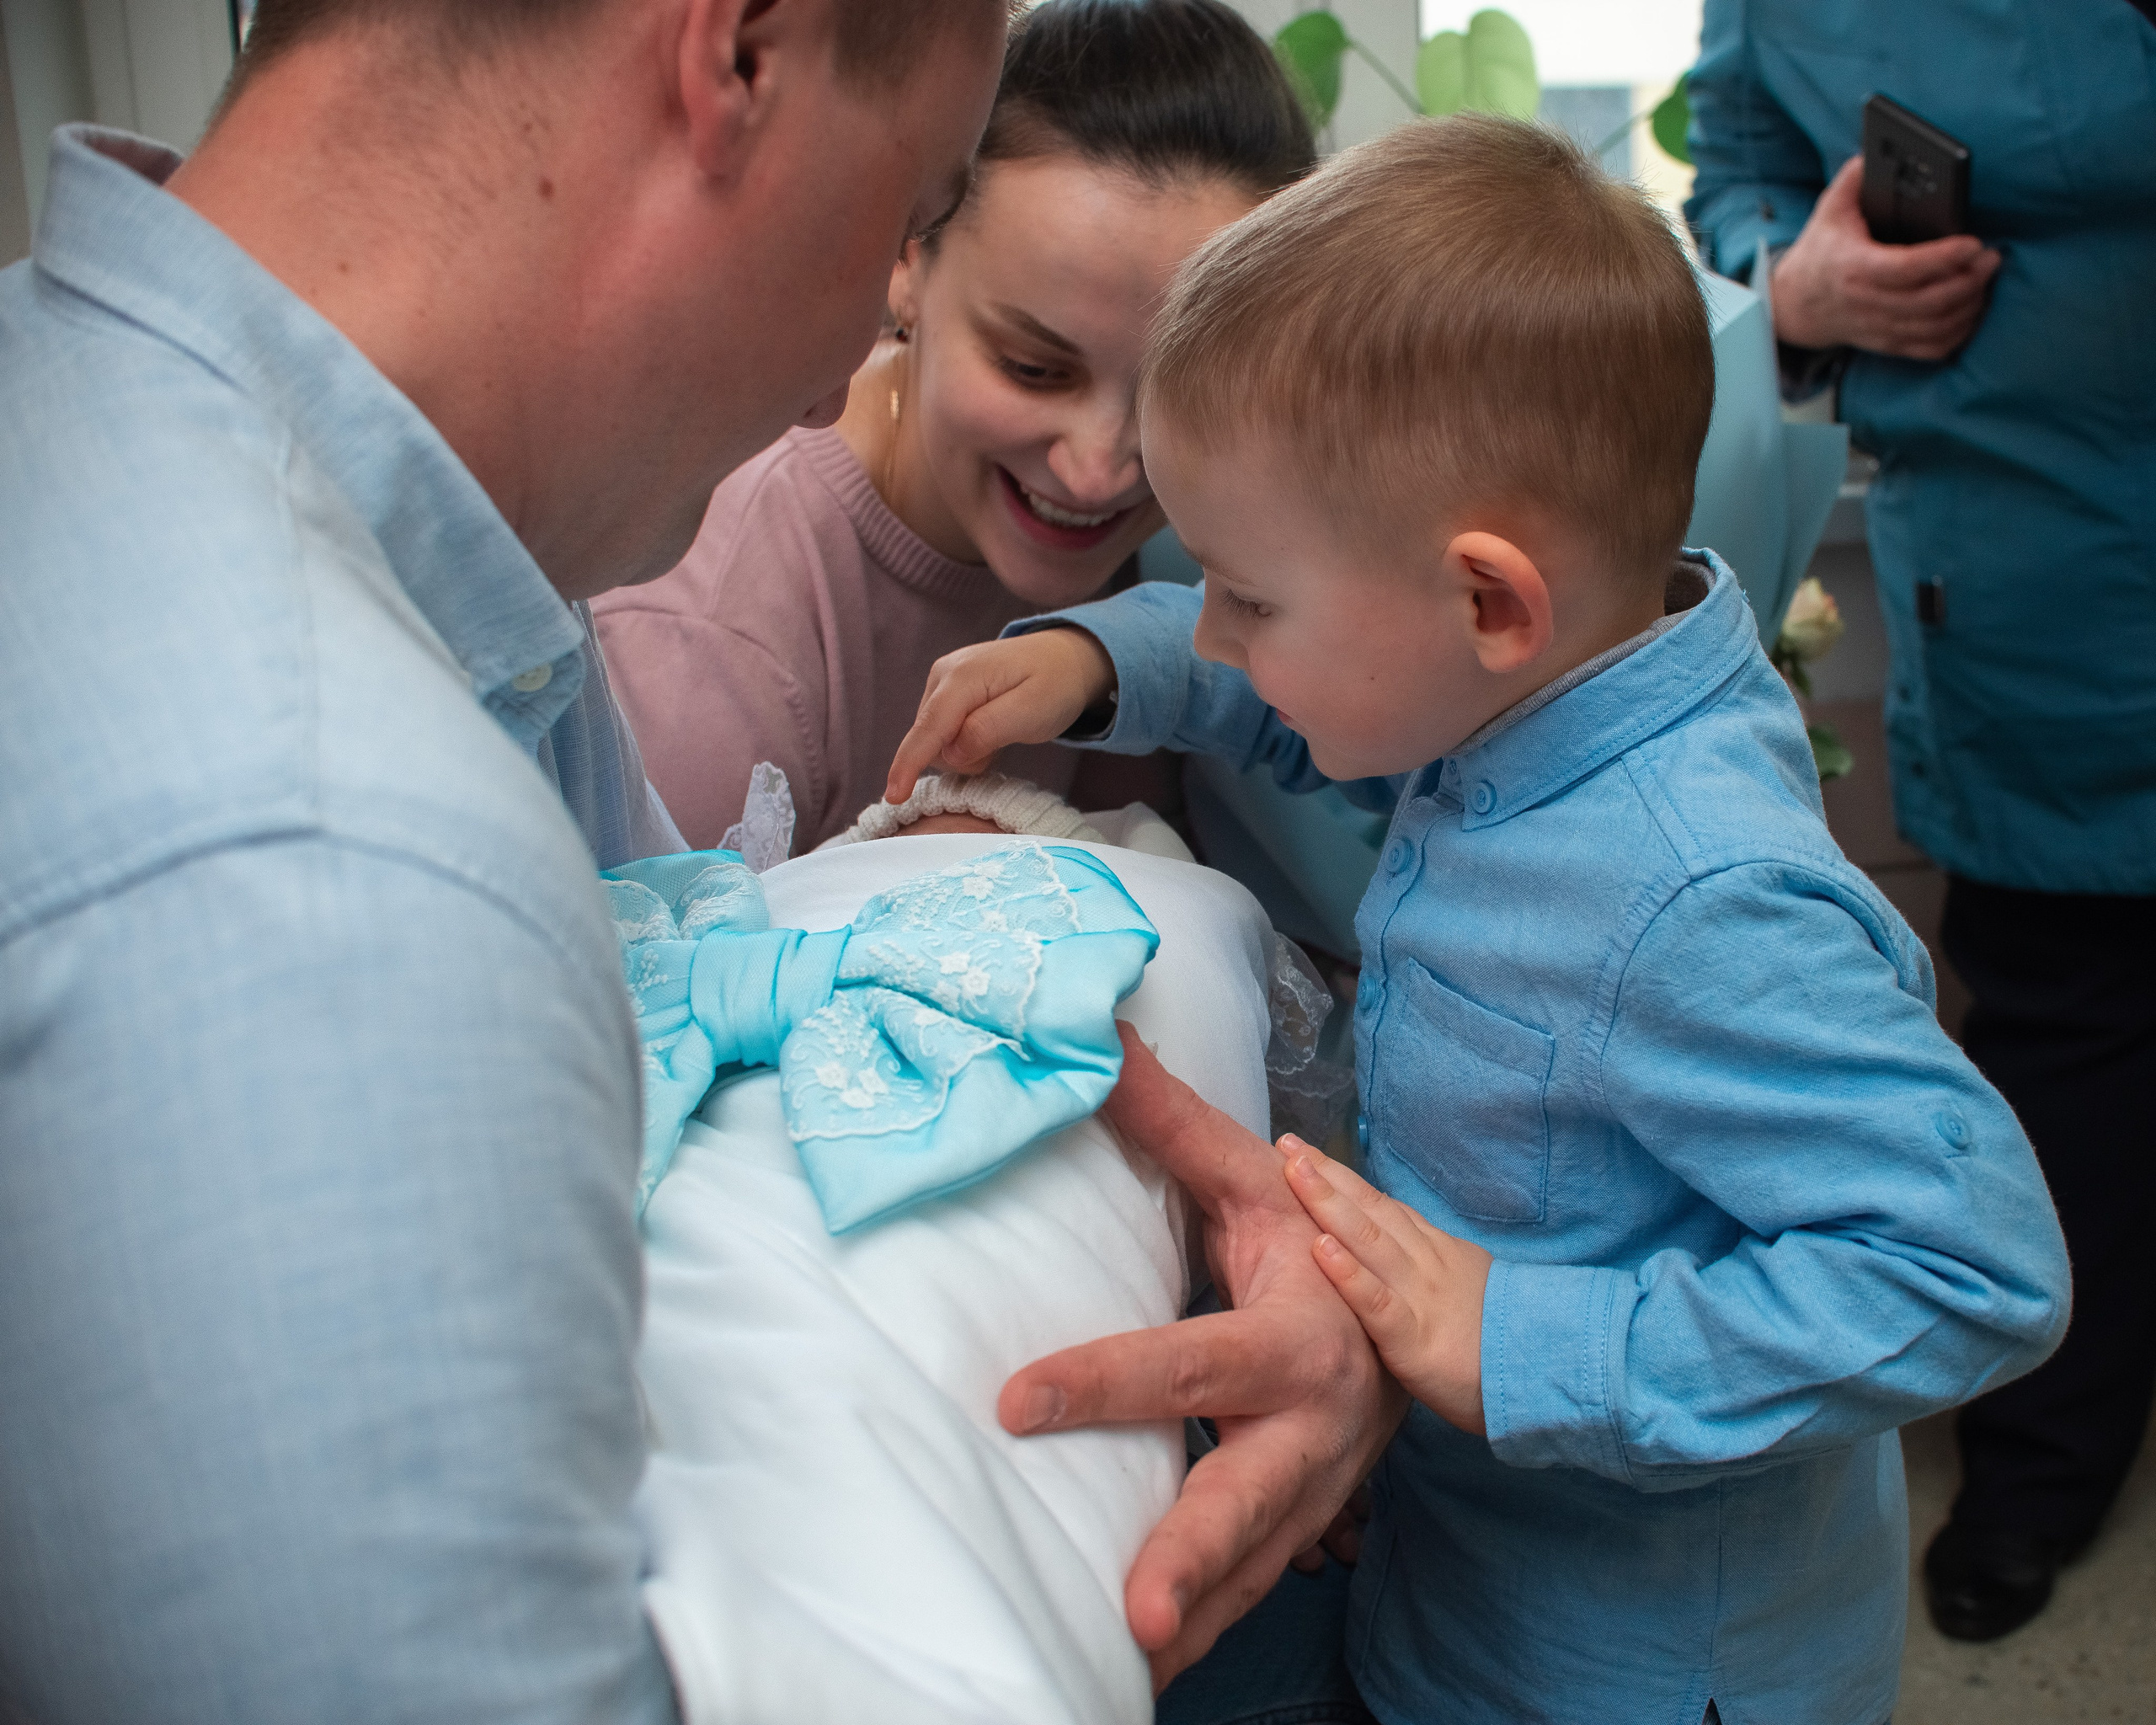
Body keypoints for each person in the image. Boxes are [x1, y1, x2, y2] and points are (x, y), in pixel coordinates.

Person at [0, 2, 1392, 1717]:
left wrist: (1253, 1214)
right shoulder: (318, 865)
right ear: (737, 54)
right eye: (914, 190)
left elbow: (721, 972)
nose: (849, 360)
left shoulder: (466, 612)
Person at [887, 116, 2072, 1723]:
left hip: (1631, 1669)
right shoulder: (1532, 689)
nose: (1217, 638)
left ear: (1490, 600)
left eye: (1244, 593)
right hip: (1466, 1572)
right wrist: (1120, 658)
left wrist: (1524, 1340)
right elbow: (1346, 709)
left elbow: (1971, 1263)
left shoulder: (1697, 903)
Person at [1684, 0, 2156, 1642]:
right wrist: (1795, 294)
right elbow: (1730, 198)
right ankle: (2038, 1466)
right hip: (2031, 564)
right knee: (2065, 1017)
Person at [592, 0, 1315, 851]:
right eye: (1033, 368)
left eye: (1180, 399)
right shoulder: (720, 640)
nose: (1097, 471)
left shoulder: (1177, 561)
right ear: (907, 257)